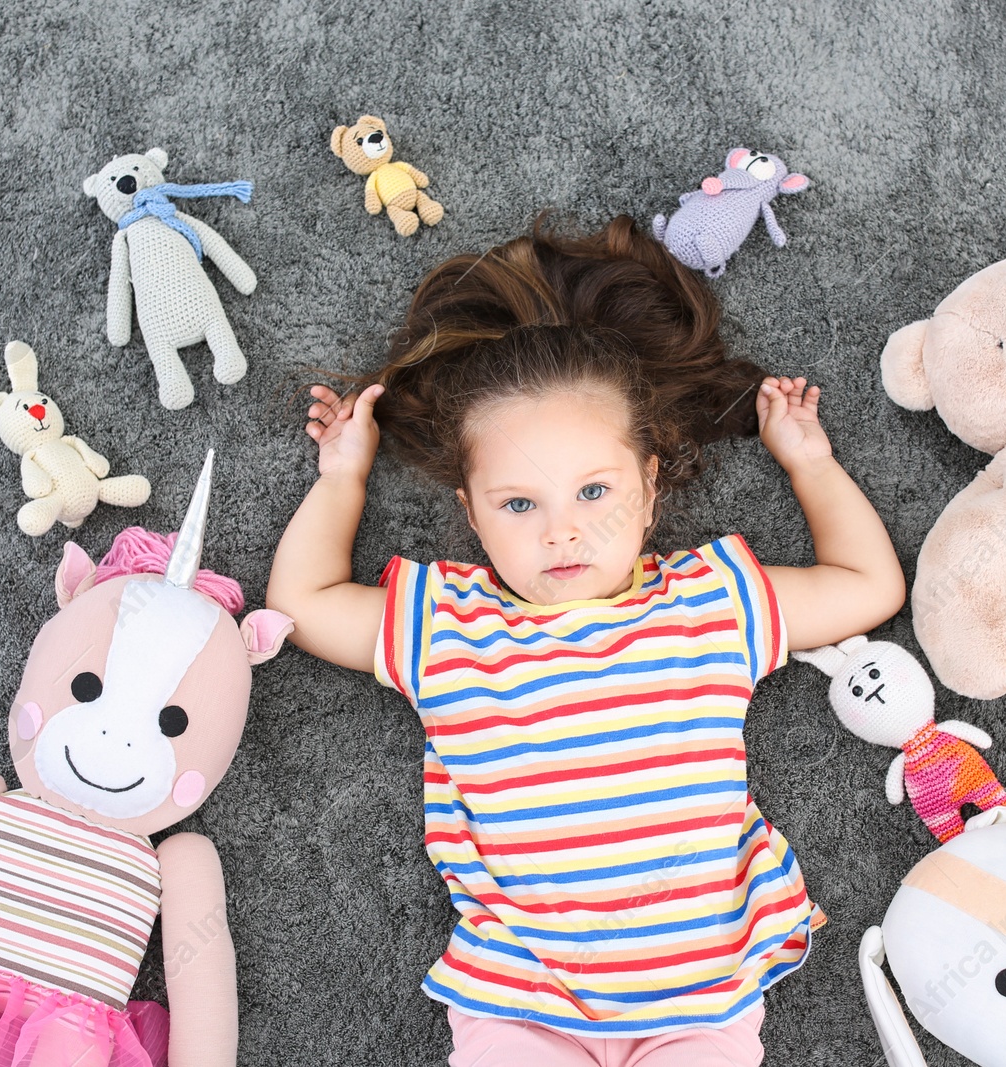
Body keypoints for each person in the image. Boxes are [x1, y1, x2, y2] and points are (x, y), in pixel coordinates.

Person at [267, 215, 904, 1066]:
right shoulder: (446, 625)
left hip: (701, 995)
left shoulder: (712, 602)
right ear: (471, 516)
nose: (562, 534)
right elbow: (302, 604)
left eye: (594, 491)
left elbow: (871, 588)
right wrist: (342, 476)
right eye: (519, 504)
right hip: (520, 995)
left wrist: (810, 464)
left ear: (648, 487)